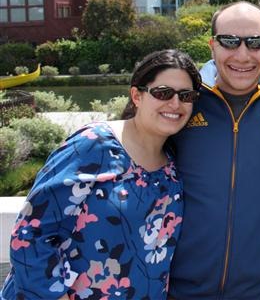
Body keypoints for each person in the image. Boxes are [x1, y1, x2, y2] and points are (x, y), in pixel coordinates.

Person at [1, 49, 202, 300]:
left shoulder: (173, 165)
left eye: (186, 95)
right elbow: (31, 232)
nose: (175, 103)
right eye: (163, 93)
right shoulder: (94, 145)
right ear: (136, 96)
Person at [169, 1, 260, 300]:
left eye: (255, 42)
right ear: (212, 46)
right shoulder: (182, 100)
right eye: (229, 41)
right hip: (179, 291)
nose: (242, 55)